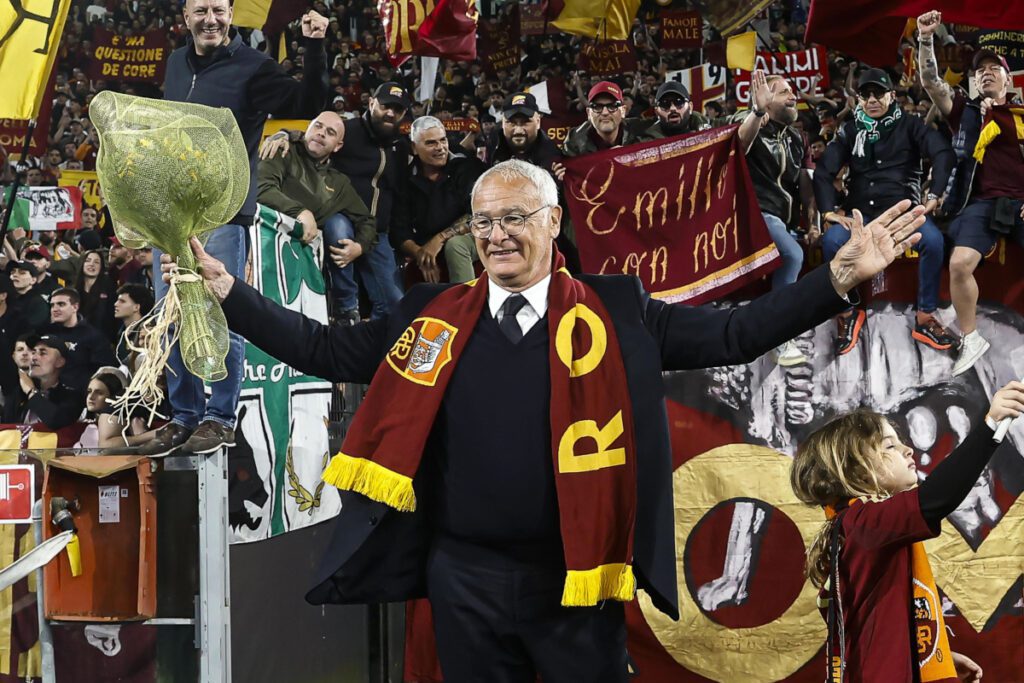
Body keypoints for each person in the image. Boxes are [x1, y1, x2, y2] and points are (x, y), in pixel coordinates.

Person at [166, 159, 927, 682]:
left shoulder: (620, 311)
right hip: (462, 577)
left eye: (513, 218)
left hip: (578, 580)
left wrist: (834, 278)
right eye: (482, 221)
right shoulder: (430, 314)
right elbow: (325, 346)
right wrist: (231, 290)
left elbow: (735, 333)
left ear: (554, 221)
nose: (494, 235)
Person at [149, 0, 330, 456]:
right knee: (171, 317)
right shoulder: (174, 63)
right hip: (172, 213)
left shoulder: (254, 67)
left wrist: (313, 45)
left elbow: (310, 104)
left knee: (219, 312)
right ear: (185, 15)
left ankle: (219, 417)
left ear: (231, 14)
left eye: (218, 10)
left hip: (222, 214)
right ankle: (184, 416)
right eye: (200, 10)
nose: (210, 19)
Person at [788, 385, 1022, 682]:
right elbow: (938, 497)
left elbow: (876, 630)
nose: (907, 449)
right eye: (889, 446)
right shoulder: (864, 525)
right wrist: (989, 426)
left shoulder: (859, 530)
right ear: (856, 471)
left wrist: (931, 657)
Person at [814, 67, 957, 355]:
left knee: (932, 240)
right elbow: (823, 171)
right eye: (865, 95)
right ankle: (846, 313)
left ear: (891, 95)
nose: (871, 100)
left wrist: (934, 195)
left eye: (878, 93)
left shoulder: (911, 124)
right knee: (831, 242)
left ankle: (926, 316)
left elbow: (943, 152)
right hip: (861, 214)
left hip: (903, 211)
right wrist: (828, 212)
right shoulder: (850, 130)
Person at [918, 9, 1024, 376]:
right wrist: (925, 38)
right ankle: (971, 338)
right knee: (960, 264)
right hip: (978, 204)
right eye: (980, 70)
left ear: (1009, 79)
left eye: (994, 68)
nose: (986, 72)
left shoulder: (1023, 114)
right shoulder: (964, 112)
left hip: (1022, 203)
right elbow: (932, 82)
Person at [260, 82, 411, 321]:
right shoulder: (345, 130)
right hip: (336, 220)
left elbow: (399, 194)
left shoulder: (400, 147)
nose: (390, 113)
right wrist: (284, 133)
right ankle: (345, 309)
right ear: (371, 103)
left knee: (394, 302)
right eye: (385, 106)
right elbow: (312, 136)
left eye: (398, 109)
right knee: (338, 226)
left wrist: (370, 244)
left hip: (374, 231)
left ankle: (374, 347)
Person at [257, 111, 378, 324]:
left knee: (339, 225)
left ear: (338, 145)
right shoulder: (282, 148)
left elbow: (367, 221)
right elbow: (260, 188)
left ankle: (346, 310)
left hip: (306, 249)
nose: (321, 133)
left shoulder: (339, 182)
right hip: (264, 236)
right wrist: (301, 212)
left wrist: (358, 247)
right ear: (308, 129)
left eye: (330, 132)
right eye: (318, 126)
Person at [736, 70, 817, 366]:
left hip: (784, 221)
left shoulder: (797, 138)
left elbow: (808, 186)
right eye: (782, 92)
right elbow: (739, 146)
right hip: (754, 215)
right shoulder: (750, 126)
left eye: (791, 89)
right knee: (792, 255)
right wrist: (756, 113)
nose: (792, 95)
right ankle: (779, 337)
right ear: (765, 100)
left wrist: (814, 222)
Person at [391, 116, 487, 284]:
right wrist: (421, 254)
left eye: (443, 140)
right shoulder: (405, 178)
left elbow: (477, 214)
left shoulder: (466, 167)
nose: (440, 148)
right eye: (431, 143)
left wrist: (439, 239)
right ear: (414, 147)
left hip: (472, 237)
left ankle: (464, 305)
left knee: (455, 245)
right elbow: (400, 230)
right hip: (426, 246)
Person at [41, 288, 117, 391]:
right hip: (45, 393)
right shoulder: (46, 333)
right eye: (52, 305)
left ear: (75, 307)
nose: (55, 309)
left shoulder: (93, 336)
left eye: (61, 304)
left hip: (77, 397)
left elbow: (104, 372)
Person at [2, 335, 83, 429]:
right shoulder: (18, 394)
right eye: (33, 352)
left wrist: (31, 392)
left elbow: (57, 421)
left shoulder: (72, 396)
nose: (33, 358)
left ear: (59, 362)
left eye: (42, 353)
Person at [562, 81, 641, 157]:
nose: (605, 112)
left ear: (623, 111)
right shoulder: (575, 142)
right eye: (597, 107)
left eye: (612, 106)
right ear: (589, 113)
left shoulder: (640, 131)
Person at [630, 81, 710, 141]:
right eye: (665, 104)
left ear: (690, 107)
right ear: (657, 112)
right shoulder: (644, 146)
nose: (672, 108)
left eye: (679, 102)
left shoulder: (712, 130)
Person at [74, 249, 118, 342]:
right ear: (82, 264)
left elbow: (112, 318)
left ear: (101, 267)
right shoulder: (74, 289)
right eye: (88, 261)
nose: (92, 264)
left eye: (96, 262)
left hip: (103, 339)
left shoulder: (109, 287)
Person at [112, 283, 154, 369]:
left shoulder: (147, 331)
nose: (115, 304)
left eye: (122, 301)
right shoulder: (122, 333)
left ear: (136, 307)